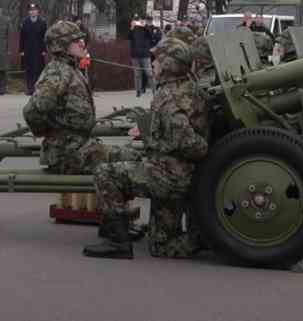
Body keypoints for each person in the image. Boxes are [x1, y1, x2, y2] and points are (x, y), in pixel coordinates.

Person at [84, 37, 209, 260]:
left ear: (169, 64)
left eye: (157, 59)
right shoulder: (190, 87)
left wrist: (161, 145)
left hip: (169, 176)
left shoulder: (167, 96)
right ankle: (203, 239)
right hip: (183, 173)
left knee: (106, 173)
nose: (153, 64)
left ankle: (117, 242)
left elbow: (189, 143)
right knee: (162, 247)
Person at [19, 3, 48, 95]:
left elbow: (45, 37)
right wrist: (21, 50)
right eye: (31, 10)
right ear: (29, 12)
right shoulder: (25, 22)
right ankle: (29, 88)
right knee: (29, 69)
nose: (33, 12)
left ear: (38, 11)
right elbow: (22, 37)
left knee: (38, 69)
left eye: (34, 10)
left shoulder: (42, 22)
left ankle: (37, 88)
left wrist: (44, 50)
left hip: (38, 50)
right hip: (28, 50)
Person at [128, 18, 155, 97]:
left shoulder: (146, 28)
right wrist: (131, 28)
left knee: (149, 73)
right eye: (137, 21)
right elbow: (128, 37)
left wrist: (145, 26)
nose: (138, 23)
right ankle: (138, 91)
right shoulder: (133, 29)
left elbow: (151, 36)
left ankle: (154, 90)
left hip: (145, 55)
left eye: (140, 21)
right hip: (135, 55)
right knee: (137, 74)